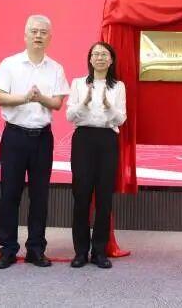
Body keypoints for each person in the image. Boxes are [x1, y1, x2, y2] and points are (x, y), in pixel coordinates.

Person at [0, 14, 69, 269]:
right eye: (34, 31)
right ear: (25, 35)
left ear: (50, 37)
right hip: (14, 136)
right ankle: (7, 250)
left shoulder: (56, 68)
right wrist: (26, 98)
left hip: (42, 138)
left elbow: (57, 103)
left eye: (43, 32)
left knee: (40, 195)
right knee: (10, 193)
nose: (38, 35)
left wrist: (39, 98)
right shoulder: (10, 64)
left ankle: (36, 249)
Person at [66, 42, 126, 269]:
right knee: (81, 196)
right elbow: (70, 116)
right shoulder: (78, 83)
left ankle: (99, 251)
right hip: (83, 140)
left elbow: (120, 119)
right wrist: (85, 102)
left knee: (104, 197)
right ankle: (80, 252)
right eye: (96, 54)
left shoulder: (118, 86)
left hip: (107, 140)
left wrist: (108, 106)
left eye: (104, 54)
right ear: (90, 59)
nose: (100, 57)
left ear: (111, 60)